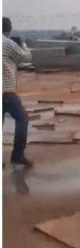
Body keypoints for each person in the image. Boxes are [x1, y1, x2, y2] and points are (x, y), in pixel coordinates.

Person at [2, 17, 33, 167]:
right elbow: (26, 57)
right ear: (9, 28)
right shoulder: (7, 43)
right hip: (6, 91)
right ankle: (17, 155)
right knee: (22, 119)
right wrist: (23, 44)